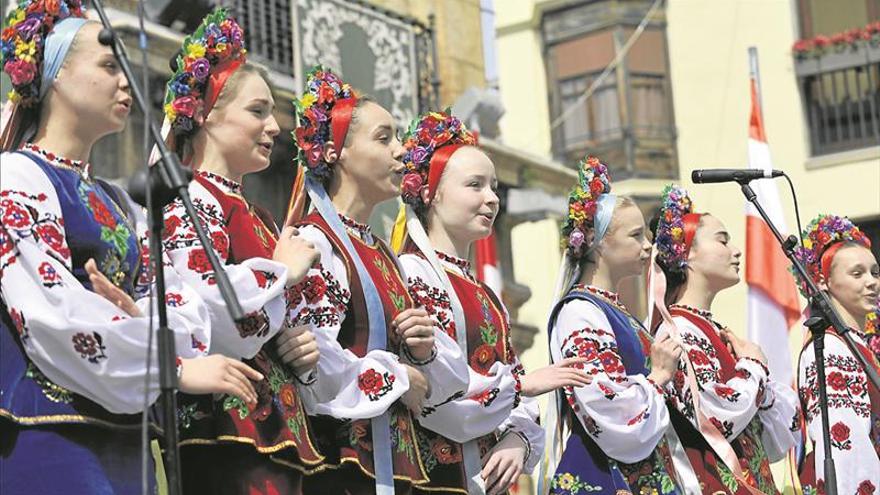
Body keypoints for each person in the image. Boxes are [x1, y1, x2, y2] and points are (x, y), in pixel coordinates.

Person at [0, 2, 258, 492]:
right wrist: (170, 364)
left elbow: (180, 306)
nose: (126, 83)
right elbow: (52, 312)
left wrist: (139, 320)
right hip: (50, 434)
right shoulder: (16, 177)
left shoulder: (121, 202)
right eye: (107, 65)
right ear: (55, 75)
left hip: (127, 439)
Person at [275, 66, 469, 494]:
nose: (401, 151)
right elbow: (311, 360)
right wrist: (400, 375)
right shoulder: (315, 242)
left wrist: (420, 350)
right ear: (335, 152)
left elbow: (435, 378)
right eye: (383, 139)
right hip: (342, 466)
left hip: (394, 465)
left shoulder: (383, 253)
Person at [154, 10, 323, 494]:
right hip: (221, 429)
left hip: (272, 426)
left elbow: (272, 322)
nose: (274, 125)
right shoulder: (188, 198)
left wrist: (300, 343)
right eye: (257, 111)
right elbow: (210, 310)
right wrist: (281, 275)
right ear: (205, 113)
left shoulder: (259, 215)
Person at [541, 156, 692, 494]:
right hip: (608, 477)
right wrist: (659, 377)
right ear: (598, 241)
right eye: (636, 235)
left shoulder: (616, 311)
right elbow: (603, 404)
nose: (648, 245)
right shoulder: (580, 312)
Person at [649, 184, 800, 494]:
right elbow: (715, 417)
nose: (737, 250)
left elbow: (772, 444)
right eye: (722, 240)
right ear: (686, 253)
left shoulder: (709, 328)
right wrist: (754, 367)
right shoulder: (678, 331)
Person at [793, 214, 879, 495]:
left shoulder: (857, 344)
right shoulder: (830, 348)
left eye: (875, 272)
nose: (872, 282)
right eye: (857, 274)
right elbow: (845, 445)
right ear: (823, 281)